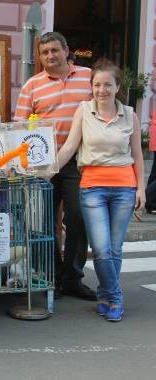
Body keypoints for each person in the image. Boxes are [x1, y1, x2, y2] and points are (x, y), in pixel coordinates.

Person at [57, 59, 145, 322]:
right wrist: (48, 169)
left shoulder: (130, 114)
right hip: (92, 187)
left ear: (118, 86)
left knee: (115, 250)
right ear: (91, 87)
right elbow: (70, 147)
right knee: (102, 249)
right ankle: (115, 296)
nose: (101, 89)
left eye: (107, 84)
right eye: (96, 84)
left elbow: (138, 156)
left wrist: (141, 189)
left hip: (124, 188)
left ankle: (106, 296)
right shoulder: (83, 111)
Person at [14, 32, 95, 300]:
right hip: (42, 162)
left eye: (54, 51)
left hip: (76, 161)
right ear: (39, 56)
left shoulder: (87, 77)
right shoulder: (32, 85)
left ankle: (71, 278)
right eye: (45, 52)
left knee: (78, 217)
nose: (50, 56)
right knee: (45, 222)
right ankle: (52, 275)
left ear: (66, 50)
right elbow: (19, 126)